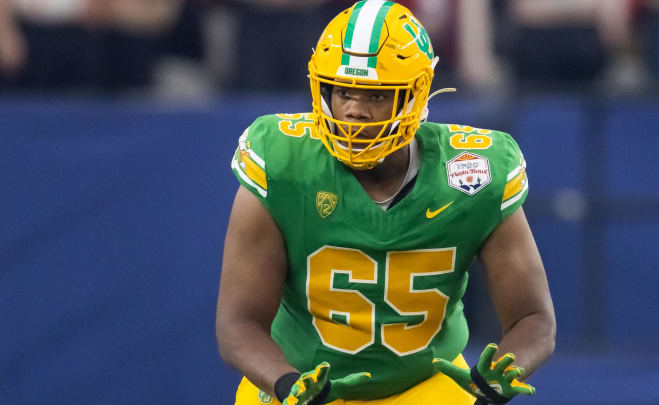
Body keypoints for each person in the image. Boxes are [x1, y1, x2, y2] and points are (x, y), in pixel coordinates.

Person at [216, 1, 556, 404]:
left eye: (376, 95)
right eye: (343, 91)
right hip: (295, 382)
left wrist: (502, 373)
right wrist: (287, 382)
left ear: (416, 95)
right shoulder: (283, 163)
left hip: (422, 388)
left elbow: (534, 318)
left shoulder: (469, 174)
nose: (354, 109)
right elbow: (239, 324)